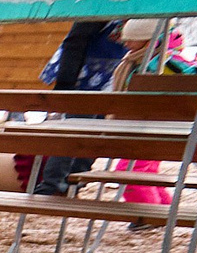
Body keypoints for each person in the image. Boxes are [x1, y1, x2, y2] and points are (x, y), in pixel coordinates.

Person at [25, 20, 134, 196]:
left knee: (96, 136)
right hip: (85, 78)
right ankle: (52, 185)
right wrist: (65, 84)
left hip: (112, 77)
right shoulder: (104, 5)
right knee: (73, 132)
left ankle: (74, 183)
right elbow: (75, 41)